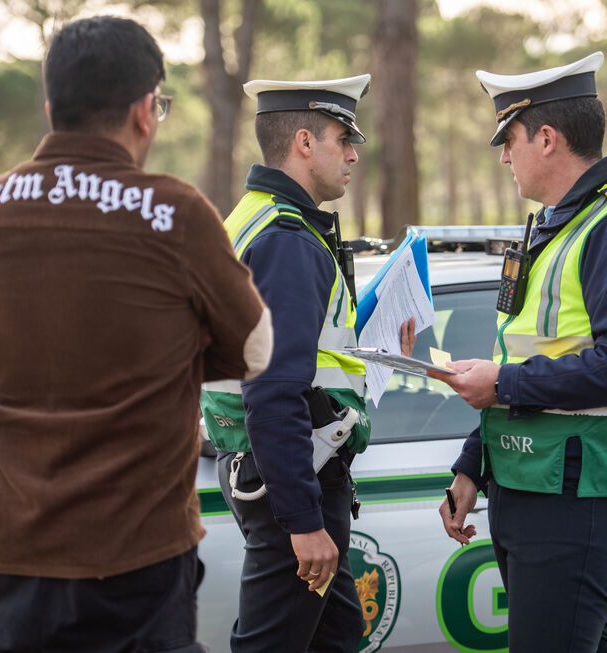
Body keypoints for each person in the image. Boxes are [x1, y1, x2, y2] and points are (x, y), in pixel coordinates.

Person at [0, 16, 272, 653]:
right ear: (144, 112)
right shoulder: (174, 211)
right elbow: (255, 350)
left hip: (9, 554)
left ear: (52, 106)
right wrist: (174, 357)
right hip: (134, 558)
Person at [428, 52, 607, 652]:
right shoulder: (550, 229)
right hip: (532, 486)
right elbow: (520, 355)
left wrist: (503, 386)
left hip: (579, 499)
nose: (504, 156)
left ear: (546, 138)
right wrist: (475, 463)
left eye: (508, 139)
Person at [199, 76, 415, 652]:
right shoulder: (288, 241)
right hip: (293, 478)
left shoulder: (251, 217)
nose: (352, 154)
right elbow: (272, 388)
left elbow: (297, 356)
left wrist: (378, 346)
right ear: (303, 141)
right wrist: (302, 521)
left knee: (338, 638)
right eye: (344, 138)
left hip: (269, 465)